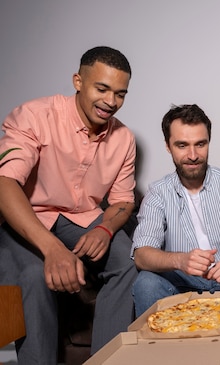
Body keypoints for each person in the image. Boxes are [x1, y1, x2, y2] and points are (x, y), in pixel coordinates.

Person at [0, 46, 137, 363]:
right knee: (34, 276)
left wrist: (105, 228)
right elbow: (5, 184)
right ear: (78, 81)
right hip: (25, 216)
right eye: (101, 88)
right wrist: (52, 249)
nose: (110, 102)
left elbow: (122, 201)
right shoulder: (34, 116)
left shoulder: (124, 139)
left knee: (128, 264)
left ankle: (105, 360)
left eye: (120, 93)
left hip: (82, 220)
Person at [131, 104, 220, 316]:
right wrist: (180, 260)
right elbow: (142, 255)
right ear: (168, 146)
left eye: (200, 144)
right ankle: (160, 348)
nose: (193, 155)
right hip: (183, 287)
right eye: (182, 145)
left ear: (208, 143)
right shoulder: (157, 194)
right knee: (146, 283)